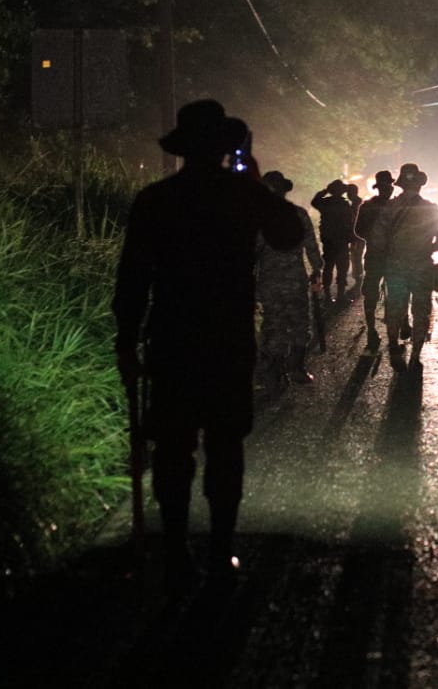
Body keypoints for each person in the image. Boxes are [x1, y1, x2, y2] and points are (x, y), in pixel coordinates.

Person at [113, 100, 302, 592]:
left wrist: (125, 341)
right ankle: (220, 551)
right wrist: (257, 180)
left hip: (171, 337)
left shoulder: (156, 199)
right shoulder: (245, 195)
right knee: (224, 445)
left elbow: (132, 277)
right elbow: (288, 236)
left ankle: (177, 553)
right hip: (226, 337)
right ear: (226, 148)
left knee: (173, 448)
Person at [369, 163, 438, 372]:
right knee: (421, 311)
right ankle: (415, 357)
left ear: (401, 184)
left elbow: (377, 238)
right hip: (422, 266)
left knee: (395, 307)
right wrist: (425, 249)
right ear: (421, 185)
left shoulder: (390, 207)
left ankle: (394, 345)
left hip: (395, 266)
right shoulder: (431, 209)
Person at [256, 170, 323, 395]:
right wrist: (317, 270)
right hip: (295, 279)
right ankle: (297, 368)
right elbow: (311, 247)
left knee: (273, 324)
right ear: (285, 190)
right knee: (299, 322)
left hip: (269, 280)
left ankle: (273, 372)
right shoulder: (299, 214)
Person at [353, 169, 396, 352]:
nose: (389, 189)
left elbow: (358, 231)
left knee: (373, 295)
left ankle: (373, 331)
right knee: (393, 295)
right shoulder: (397, 206)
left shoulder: (367, 206)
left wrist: (372, 238)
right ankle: (389, 335)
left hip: (376, 257)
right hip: (393, 258)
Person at [310, 179, 355, 304]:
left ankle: (328, 297)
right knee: (342, 269)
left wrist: (325, 191)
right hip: (341, 241)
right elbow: (349, 223)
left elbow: (314, 201)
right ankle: (340, 296)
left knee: (328, 268)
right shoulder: (344, 204)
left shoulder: (325, 203)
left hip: (329, 241)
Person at [347, 181, 365, 295]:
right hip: (358, 235)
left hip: (357, 235)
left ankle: (359, 277)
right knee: (355, 256)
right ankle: (358, 276)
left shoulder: (356, 204)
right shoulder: (357, 202)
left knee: (356, 256)